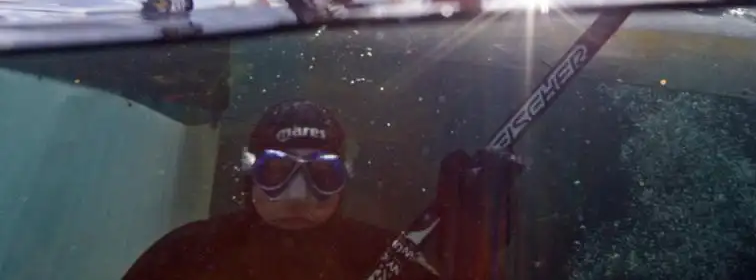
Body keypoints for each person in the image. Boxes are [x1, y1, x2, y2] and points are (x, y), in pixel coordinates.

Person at [122, 100, 522, 280]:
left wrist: (476, 251)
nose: (299, 196)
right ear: (249, 177)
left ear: (344, 180)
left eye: (322, 175)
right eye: (276, 171)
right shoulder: (185, 257)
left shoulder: (387, 257)